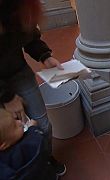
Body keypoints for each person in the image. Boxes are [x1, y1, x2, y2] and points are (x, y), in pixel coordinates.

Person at [0, 0, 66, 176]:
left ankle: (43, 160)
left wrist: (44, 56)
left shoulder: (20, 9)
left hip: (17, 70)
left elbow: (28, 35)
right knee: (6, 135)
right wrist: (7, 97)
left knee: (43, 125)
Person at [0, 108, 57, 180]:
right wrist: (33, 128)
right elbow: (39, 143)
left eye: (15, 119)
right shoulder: (22, 149)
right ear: (4, 145)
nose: (19, 122)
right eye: (15, 126)